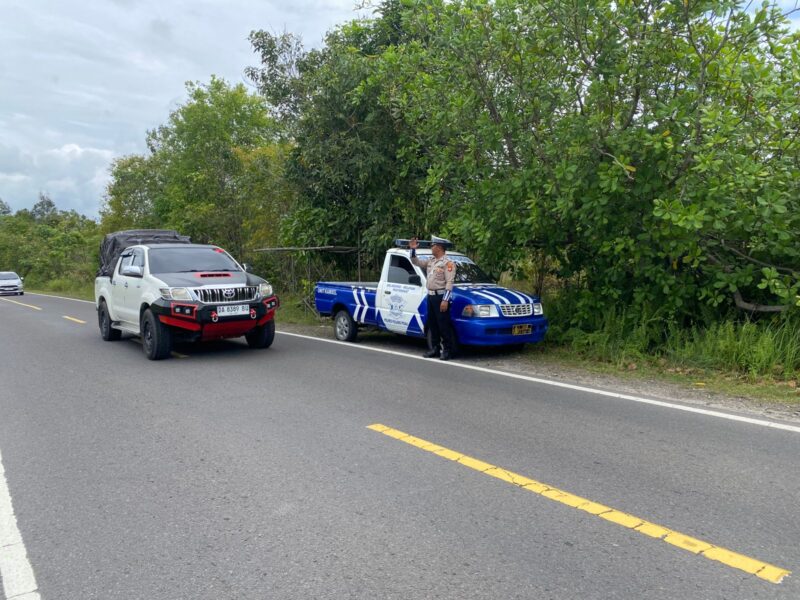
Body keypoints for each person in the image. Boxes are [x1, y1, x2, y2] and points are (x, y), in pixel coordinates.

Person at [409, 236, 457, 360]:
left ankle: (447, 350)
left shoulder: (448, 263)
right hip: (430, 296)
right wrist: (413, 250)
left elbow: (449, 282)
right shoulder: (431, 261)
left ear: (439, 247)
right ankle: (435, 348)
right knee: (433, 324)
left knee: (443, 325)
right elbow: (416, 262)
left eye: (433, 245)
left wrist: (445, 300)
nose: (431, 247)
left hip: (441, 296)